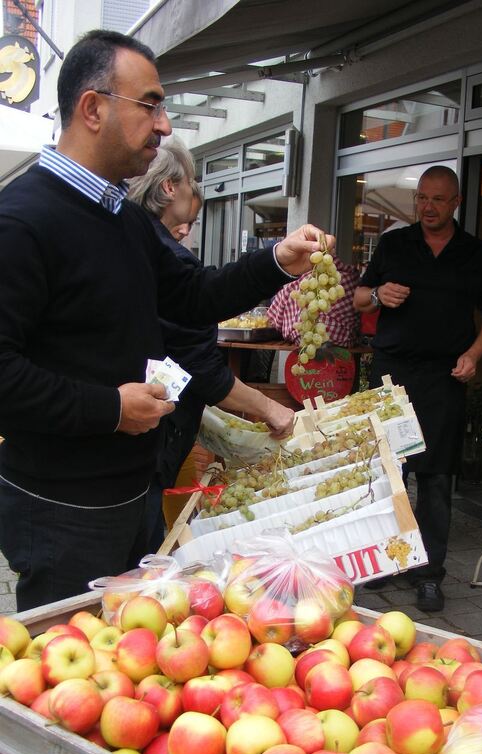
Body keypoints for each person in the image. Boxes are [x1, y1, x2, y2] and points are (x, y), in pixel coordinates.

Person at [0, 29, 333, 611]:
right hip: (62, 509)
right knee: (61, 677)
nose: (165, 126)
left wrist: (278, 260)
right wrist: (109, 408)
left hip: (134, 494)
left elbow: (193, 296)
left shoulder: (123, 218)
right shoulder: (22, 221)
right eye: (150, 104)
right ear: (93, 108)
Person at [127, 138, 294, 548]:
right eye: (193, 180)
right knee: (134, 559)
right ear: (169, 188)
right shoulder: (160, 254)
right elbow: (199, 367)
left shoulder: (136, 244)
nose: (196, 190)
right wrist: (270, 407)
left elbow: (205, 296)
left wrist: (277, 261)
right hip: (142, 439)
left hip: (136, 433)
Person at [353, 165, 482, 612]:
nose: (427, 207)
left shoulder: (476, 253)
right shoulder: (394, 243)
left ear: (455, 202)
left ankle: (428, 573)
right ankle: (383, 561)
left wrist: (474, 355)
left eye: (438, 199)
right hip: (392, 376)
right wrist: (379, 295)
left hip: (444, 379)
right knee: (387, 473)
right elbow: (360, 297)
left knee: (435, 479)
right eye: (422, 198)